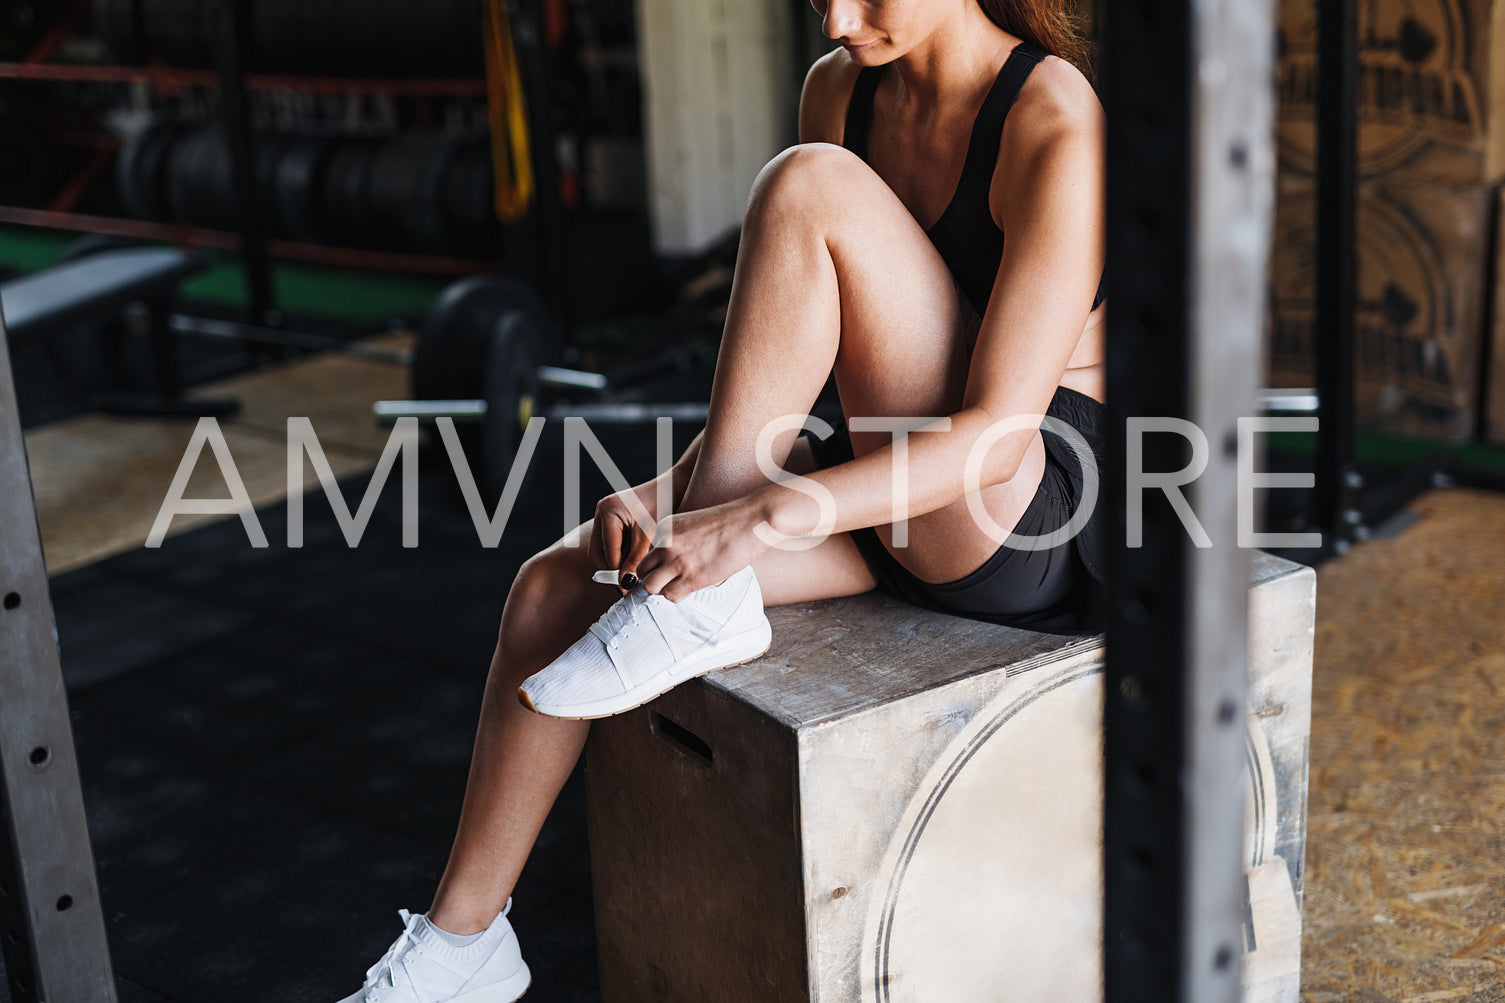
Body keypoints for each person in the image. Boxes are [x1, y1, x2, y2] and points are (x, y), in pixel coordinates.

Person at [337, 0, 1106, 998]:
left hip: (1017, 506)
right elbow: (798, 362)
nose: (836, 16)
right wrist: (677, 496)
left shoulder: (1053, 120)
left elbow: (994, 430)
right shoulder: (841, 83)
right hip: (879, 477)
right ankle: (461, 948)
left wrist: (756, 518)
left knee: (808, 187)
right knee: (554, 586)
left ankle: (699, 598)